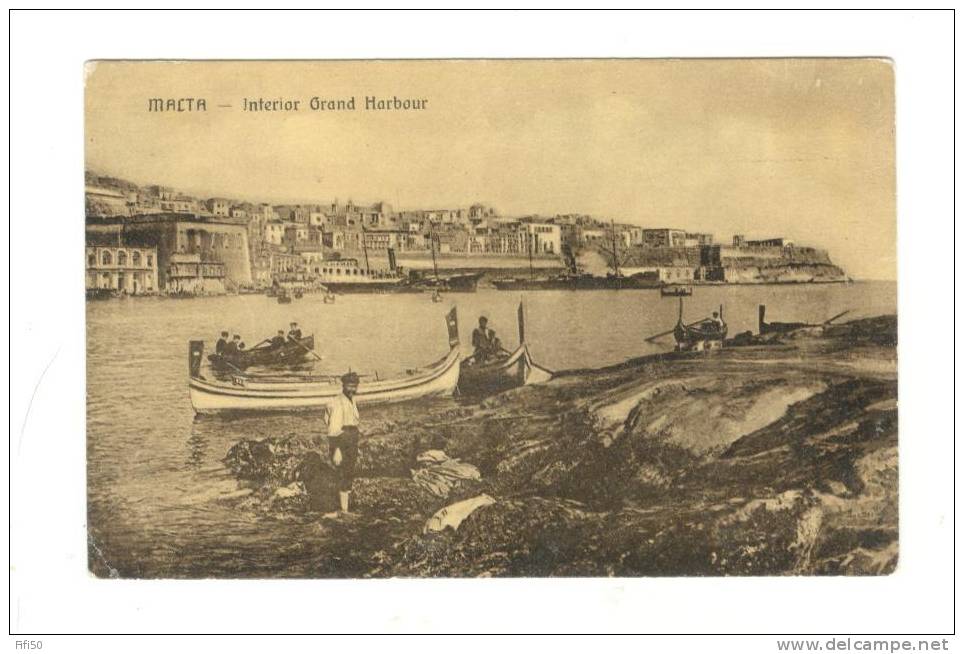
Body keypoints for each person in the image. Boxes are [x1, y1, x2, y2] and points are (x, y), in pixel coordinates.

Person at [326, 371, 361, 515]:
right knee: (342, 473)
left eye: (354, 386)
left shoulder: (352, 400)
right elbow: (333, 427)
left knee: (349, 472)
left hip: (351, 438)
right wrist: (337, 449)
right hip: (341, 440)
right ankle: (344, 510)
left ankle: (346, 507)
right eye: (349, 386)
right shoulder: (337, 402)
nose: (352, 389)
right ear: (344, 385)